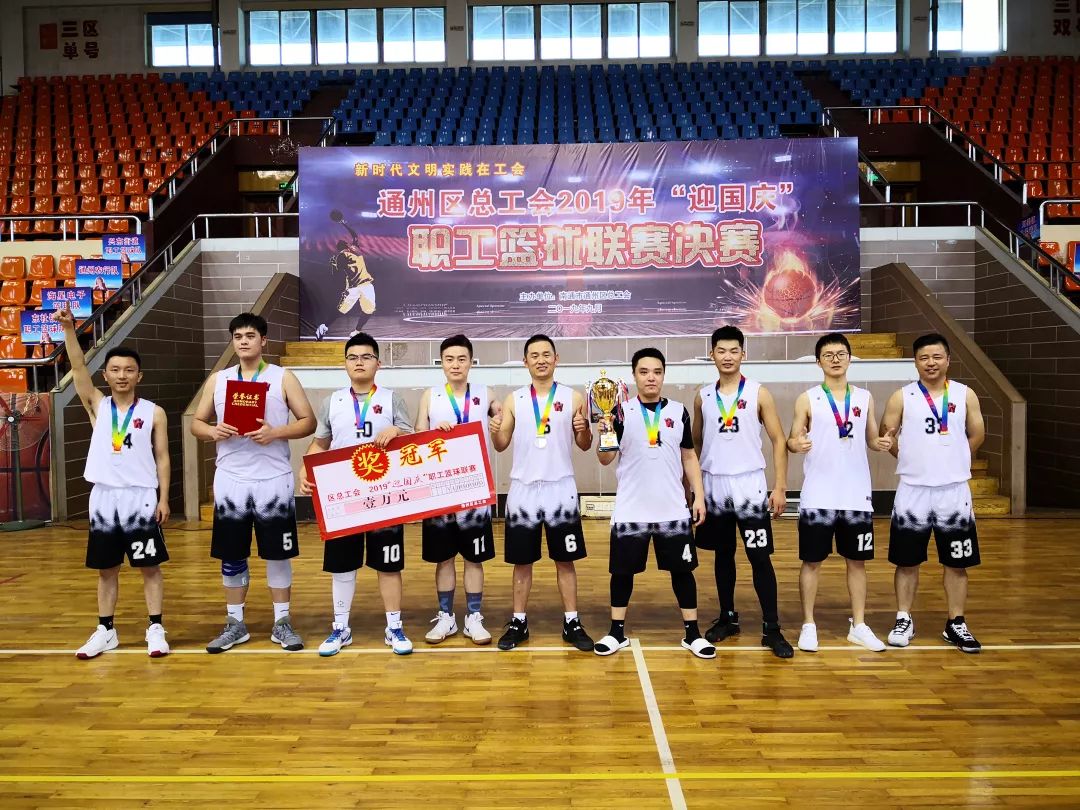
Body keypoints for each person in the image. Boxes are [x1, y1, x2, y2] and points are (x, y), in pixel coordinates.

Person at [191, 312, 316, 653]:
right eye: (238, 336)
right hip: (231, 479)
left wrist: (276, 432)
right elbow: (196, 423)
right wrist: (213, 431)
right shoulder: (219, 380)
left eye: (250, 336)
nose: (243, 341)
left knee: (278, 554)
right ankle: (235, 623)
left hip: (273, 479)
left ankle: (282, 621)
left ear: (263, 340)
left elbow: (308, 421)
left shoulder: (282, 377)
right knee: (231, 554)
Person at [54, 308, 172, 660]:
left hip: (141, 497)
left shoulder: (154, 411)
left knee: (149, 566)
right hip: (104, 498)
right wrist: (69, 330)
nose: (122, 375)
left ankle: (155, 627)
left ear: (139, 375)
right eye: (116, 370)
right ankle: (106, 630)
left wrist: (164, 498)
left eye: (129, 370)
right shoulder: (97, 405)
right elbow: (78, 367)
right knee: (106, 568)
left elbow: (163, 458)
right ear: (105, 375)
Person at [298, 332, 415, 656]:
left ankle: (394, 627)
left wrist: (397, 430)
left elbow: (412, 438)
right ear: (345, 364)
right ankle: (340, 628)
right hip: (344, 495)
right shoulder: (333, 401)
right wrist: (305, 468)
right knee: (342, 565)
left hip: (384, 495)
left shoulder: (391, 399)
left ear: (378, 363)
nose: (359, 362)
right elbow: (320, 443)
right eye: (353, 357)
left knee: (388, 564)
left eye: (366, 357)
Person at [594, 348, 715, 659]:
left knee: (683, 572)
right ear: (634, 375)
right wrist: (605, 435)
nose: (651, 377)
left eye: (657, 372)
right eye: (644, 372)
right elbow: (605, 460)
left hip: (672, 509)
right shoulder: (619, 412)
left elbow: (689, 456)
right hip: (631, 509)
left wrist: (699, 496)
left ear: (663, 375)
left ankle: (693, 633)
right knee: (622, 573)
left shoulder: (678, 411)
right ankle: (616, 632)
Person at [787, 332, 894, 653]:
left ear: (849, 358)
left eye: (841, 354)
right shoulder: (807, 398)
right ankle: (808, 625)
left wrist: (882, 443)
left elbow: (871, 439)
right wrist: (797, 444)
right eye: (828, 355)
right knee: (812, 561)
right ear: (818, 362)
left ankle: (858, 625)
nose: (835, 359)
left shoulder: (864, 397)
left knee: (857, 562)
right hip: (818, 495)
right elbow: (792, 439)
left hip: (855, 495)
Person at [692, 326, 794, 659]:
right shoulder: (703, 396)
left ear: (743, 354)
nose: (727, 357)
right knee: (723, 555)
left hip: (749, 485)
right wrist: (693, 488)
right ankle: (727, 618)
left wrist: (780, 486)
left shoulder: (759, 393)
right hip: (715, 485)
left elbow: (779, 440)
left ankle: (772, 628)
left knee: (759, 557)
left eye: (734, 350)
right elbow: (695, 443)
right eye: (721, 351)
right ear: (712, 354)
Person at [879, 333, 985, 653]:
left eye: (937, 357)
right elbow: (887, 434)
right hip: (913, 491)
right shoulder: (902, 396)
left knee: (957, 561)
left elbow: (977, 434)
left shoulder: (965, 394)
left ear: (948, 360)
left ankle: (956, 622)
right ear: (915, 362)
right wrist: (909, 458)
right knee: (906, 560)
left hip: (954, 491)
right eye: (924, 358)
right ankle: (903, 618)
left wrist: (954, 459)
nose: (931, 363)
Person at [489, 334, 594, 652]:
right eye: (534, 355)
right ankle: (518, 622)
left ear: (556, 358)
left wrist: (584, 430)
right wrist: (494, 431)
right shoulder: (514, 399)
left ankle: (572, 622)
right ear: (525, 362)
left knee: (565, 560)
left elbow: (585, 444)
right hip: (523, 491)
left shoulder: (574, 397)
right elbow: (501, 444)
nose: (541, 359)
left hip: (560, 489)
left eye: (546, 354)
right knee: (522, 562)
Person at [414, 334, 500, 645]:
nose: (455, 364)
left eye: (461, 359)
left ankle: (474, 616)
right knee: (444, 558)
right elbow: (417, 435)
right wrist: (432, 432)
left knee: (474, 558)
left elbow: (502, 418)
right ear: (442, 363)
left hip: (475, 490)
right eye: (449, 359)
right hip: (440, 490)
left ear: (471, 362)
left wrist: (498, 421)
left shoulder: (486, 393)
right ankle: (446, 616)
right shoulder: (430, 395)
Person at [313, 240, 376, 341]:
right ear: (346, 246)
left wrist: (334, 264)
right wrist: (335, 265)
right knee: (342, 310)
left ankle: (356, 331)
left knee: (369, 310)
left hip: (366, 284)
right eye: (348, 244)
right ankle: (323, 327)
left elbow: (354, 236)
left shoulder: (353, 251)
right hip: (353, 288)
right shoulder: (343, 255)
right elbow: (337, 273)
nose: (350, 245)